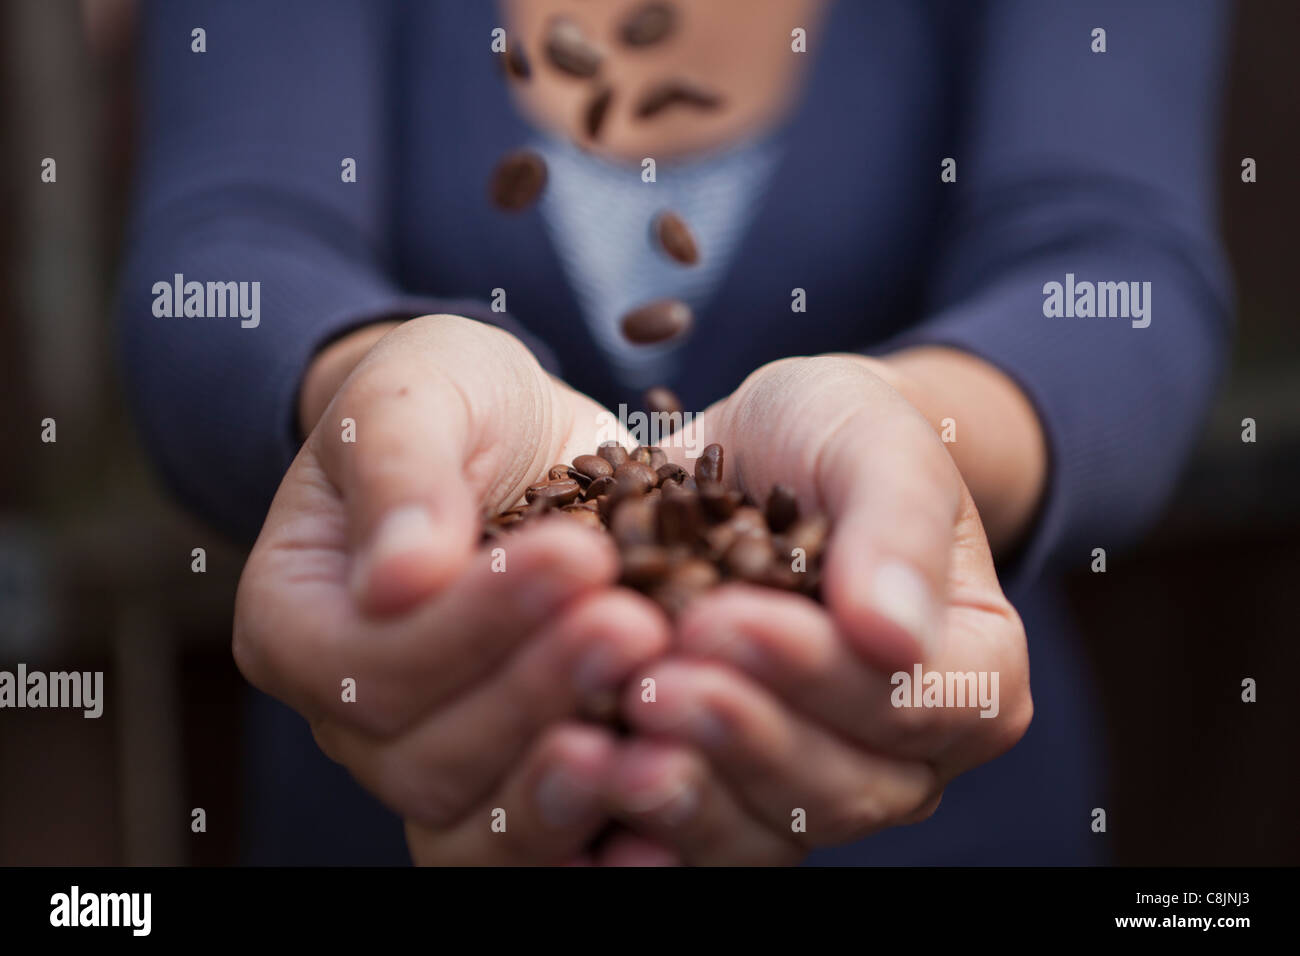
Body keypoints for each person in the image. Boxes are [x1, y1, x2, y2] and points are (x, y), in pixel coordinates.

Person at [119, 0, 1232, 865]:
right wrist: (377, 396)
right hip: (405, 807)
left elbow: (1114, 265)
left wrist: (922, 436)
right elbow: (224, 248)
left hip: (933, 816)